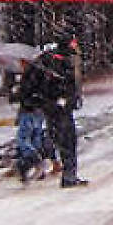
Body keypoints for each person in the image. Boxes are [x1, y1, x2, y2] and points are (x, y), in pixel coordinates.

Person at [25, 31, 87, 187]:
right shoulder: (61, 62)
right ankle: (68, 176)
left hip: (50, 106)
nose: (76, 45)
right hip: (60, 107)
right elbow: (65, 86)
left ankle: (34, 160)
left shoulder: (47, 59)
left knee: (55, 137)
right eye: (73, 42)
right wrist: (67, 99)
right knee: (67, 141)